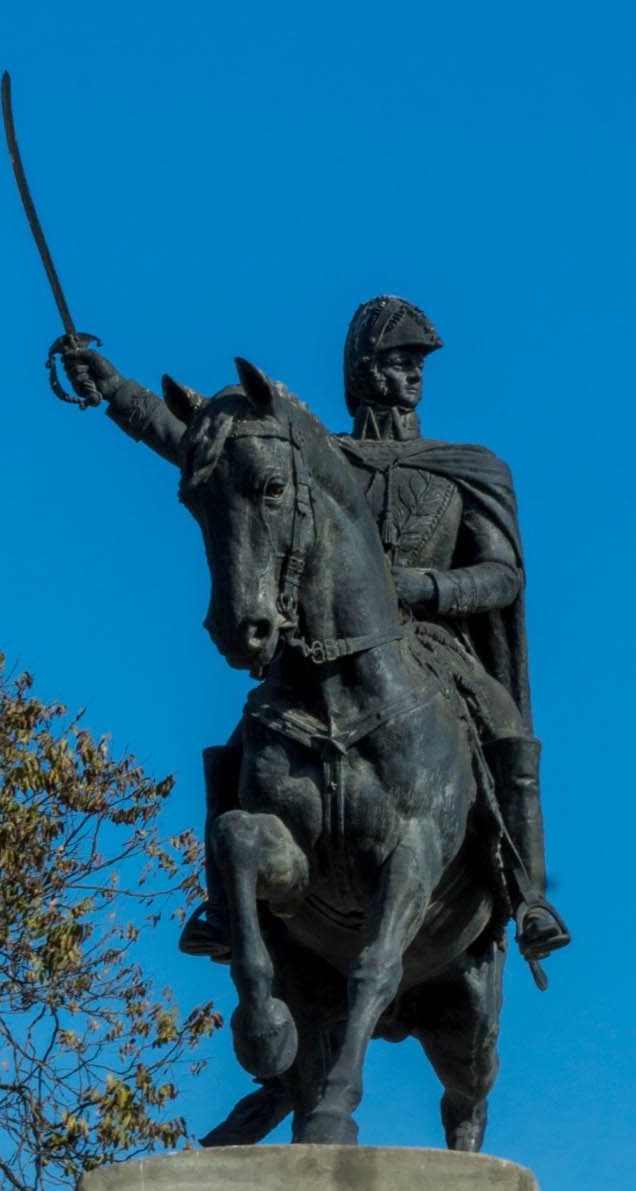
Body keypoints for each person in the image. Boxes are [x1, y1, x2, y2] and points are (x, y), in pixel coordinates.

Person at [57, 296, 570, 979]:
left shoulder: (468, 467)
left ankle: (528, 896)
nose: (411, 375)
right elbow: (192, 442)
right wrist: (115, 389)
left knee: (503, 723)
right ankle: (220, 904)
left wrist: (424, 588)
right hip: (327, 655)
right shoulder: (318, 455)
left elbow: (503, 576)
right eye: (395, 361)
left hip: (433, 649)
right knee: (246, 734)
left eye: (416, 362)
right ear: (360, 370)